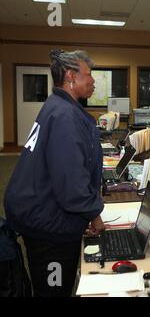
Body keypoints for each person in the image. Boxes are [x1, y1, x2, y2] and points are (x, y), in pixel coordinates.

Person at [4, 49, 105, 297]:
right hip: (48, 228)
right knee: (55, 290)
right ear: (71, 76)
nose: (93, 81)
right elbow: (71, 186)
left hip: (41, 213)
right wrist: (94, 214)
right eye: (88, 75)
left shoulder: (57, 105)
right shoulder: (64, 116)